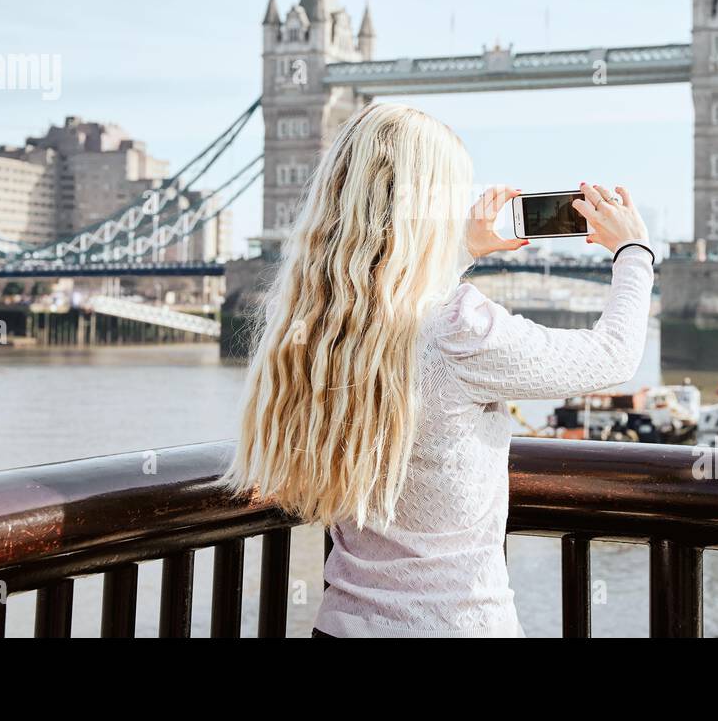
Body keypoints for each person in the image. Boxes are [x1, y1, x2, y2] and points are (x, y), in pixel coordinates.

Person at [225, 101, 656, 637]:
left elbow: (401, 310)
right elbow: (613, 354)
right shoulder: (459, 328)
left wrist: (461, 251)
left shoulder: (319, 326)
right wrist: (633, 250)